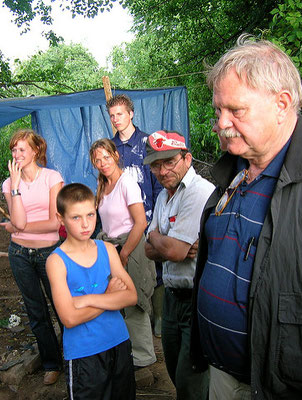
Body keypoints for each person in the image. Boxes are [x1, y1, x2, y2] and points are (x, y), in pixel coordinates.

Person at [191, 34, 302, 399]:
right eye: (218, 110)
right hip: (221, 376)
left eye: (235, 111)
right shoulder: (229, 172)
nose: (220, 123)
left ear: (282, 104)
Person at [46, 183, 138, 400]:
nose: (85, 224)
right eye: (75, 217)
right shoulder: (56, 261)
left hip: (118, 342)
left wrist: (87, 299)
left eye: (90, 214)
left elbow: (131, 296)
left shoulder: (106, 249)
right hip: (83, 354)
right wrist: (108, 296)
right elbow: (69, 318)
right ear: (61, 219)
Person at [143, 130, 214, 400]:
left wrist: (160, 239)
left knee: (191, 379)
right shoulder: (164, 196)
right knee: (174, 370)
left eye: (169, 161)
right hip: (172, 298)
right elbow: (150, 251)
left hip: (197, 300)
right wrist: (161, 240)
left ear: (187, 158)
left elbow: (173, 251)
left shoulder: (199, 192)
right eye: (156, 165)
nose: (162, 171)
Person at [0, 129, 64, 385]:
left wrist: (19, 227)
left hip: (49, 252)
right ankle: (52, 363)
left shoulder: (52, 177)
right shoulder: (8, 184)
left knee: (61, 306)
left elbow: (53, 223)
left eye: (21, 149)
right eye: (13, 150)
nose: (16, 154)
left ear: (35, 151)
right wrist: (15, 188)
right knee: (36, 311)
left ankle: (74, 358)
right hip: (19, 254)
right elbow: (17, 220)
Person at [89, 138, 157, 369]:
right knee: (117, 299)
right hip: (110, 245)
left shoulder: (127, 182)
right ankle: (127, 348)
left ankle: (144, 355)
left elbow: (140, 222)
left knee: (134, 300)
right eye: (98, 160)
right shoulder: (103, 184)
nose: (103, 163)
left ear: (116, 156)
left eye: (106, 157)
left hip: (129, 245)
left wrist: (124, 253)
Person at [107, 94, 164, 337]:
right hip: (121, 225)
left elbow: (159, 182)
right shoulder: (109, 148)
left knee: (155, 269)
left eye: (120, 114)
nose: (116, 119)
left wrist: (159, 218)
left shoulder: (147, 142)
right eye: (112, 116)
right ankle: (136, 322)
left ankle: (159, 317)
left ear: (131, 114)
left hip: (148, 218)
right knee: (128, 269)